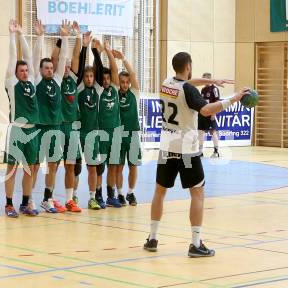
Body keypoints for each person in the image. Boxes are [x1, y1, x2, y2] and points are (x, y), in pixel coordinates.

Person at [143, 52, 250, 257]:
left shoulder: (167, 83)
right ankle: (195, 243)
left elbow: (187, 84)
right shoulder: (189, 91)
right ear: (189, 66)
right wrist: (235, 97)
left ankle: (152, 238)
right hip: (187, 151)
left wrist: (211, 80)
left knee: (160, 191)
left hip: (166, 148)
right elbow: (207, 110)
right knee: (197, 193)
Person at [50, 22, 89, 212]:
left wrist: (78, 36)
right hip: (58, 126)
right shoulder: (55, 80)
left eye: (68, 65)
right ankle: (48, 198)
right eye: (63, 64)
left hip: (72, 128)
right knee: (54, 164)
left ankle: (69, 200)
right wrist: (61, 37)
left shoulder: (73, 78)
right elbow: (54, 56)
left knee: (71, 166)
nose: (66, 66)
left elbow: (76, 55)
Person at [32, 20, 70, 213]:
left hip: (55, 127)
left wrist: (64, 38)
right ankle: (28, 199)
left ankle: (48, 198)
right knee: (35, 165)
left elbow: (62, 59)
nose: (49, 69)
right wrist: (40, 36)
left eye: (50, 67)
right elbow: (36, 56)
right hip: (40, 128)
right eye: (45, 67)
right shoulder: (37, 80)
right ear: (40, 70)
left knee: (54, 165)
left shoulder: (57, 79)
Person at [3, 19, 40, 218]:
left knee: (29, 169)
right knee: (12, 168)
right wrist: (12, 35)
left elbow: (28, 55)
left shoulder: (32, 80)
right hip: (17, 129)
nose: (25, 72)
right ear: (16, 74)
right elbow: (13, 58)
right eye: (21, 71)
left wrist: (22, 34)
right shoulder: (11, 83)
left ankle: (26, 203)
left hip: (32, 130)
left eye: (26, 70)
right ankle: (9, 204)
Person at [90, 39, 122, 209]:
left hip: (115, 132)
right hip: (101, 133)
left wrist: (108, 51)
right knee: (100, 167)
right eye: (103, 78)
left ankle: (111, 195)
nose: (106, 80)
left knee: (114, 166)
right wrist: (98, 52)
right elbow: (96, 69)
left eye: (108, 78)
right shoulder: (98, 90)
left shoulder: (115, 89)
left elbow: (115, 69)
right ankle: (98, 194)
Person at [112, 49, 142, 206]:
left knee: (133, 166)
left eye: (126, 82)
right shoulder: (115, 93)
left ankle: (130, 192)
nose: (124, 85)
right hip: (118, 134)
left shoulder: (134, 93)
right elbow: (113, 75)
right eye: (122, 82)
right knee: (118, 166)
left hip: (133, 134)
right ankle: (120, 193)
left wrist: (123, 58)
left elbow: (133, 73)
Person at [198, 72, 221, 158]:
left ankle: (216, 152)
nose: (203, 82)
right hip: (203, 114)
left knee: (213, 132)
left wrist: (214, 113)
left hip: (211, 113)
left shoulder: (214, 89)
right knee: (200, 132)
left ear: (209, 79)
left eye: (204, 80)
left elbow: (218, 102)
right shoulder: (203, 90)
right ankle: (200, 152)